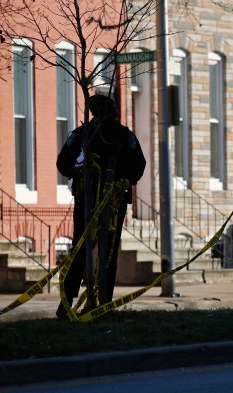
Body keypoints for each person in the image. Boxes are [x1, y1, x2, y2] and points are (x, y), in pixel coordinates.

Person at [56, 94, 146, 319]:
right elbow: (63, 162)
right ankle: (68, 304)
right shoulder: (83, 135)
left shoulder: (123, 136)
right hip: (87, 200)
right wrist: (80, 170)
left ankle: (102, 303)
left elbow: (138, 163)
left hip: (113, 202)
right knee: (81, 250)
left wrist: (125, 181)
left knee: (107, 252)